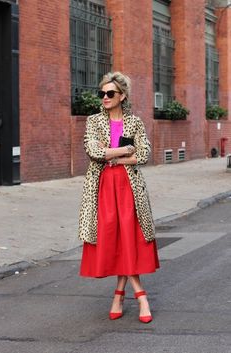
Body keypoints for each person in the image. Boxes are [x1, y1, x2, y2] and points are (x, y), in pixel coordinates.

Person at [78, 72, 159, 323]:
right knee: (114, 238)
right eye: (102, 93)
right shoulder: (93, 121)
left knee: (129, 238)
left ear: (122, 96)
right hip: (103, 186)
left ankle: (120, 294)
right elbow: (93, 151)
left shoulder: (134, 123)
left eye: (110, 93)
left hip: (129, 186)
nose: (105, 97)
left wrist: (115, 156)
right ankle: (139, 295)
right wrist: (125, 149)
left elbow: (144, 154)